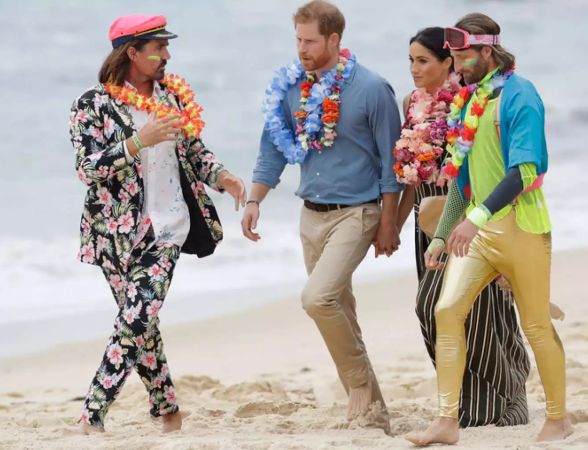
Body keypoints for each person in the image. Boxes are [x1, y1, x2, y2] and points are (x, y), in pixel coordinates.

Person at [68, 14, 246, 434]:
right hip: (112, 232)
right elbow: (87, 170)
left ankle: (92, 413)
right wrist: (136, 142)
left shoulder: (173, 97)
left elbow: (194, 151)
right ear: (132, 52)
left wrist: (222, 176)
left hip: (168, 226)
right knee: (141, 325)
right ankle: (168, 411)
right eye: (159, 47)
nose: (167, 54)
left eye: (167, 46)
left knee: (136, 317)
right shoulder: (91, 105)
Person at [405, 13, 573, 445]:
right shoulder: (467, 100)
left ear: (487, 50)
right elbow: (463, 181)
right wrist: (443, 234)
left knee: (535, 325)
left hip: (522, 227)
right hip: (477, 232)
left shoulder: (521, 95)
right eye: (454, 55)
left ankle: (558, 418)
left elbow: (524, 170)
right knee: (446, 310)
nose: (457, 62)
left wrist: (474, 221)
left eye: (463, 54)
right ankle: (446, 421)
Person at [241, 0, 401, 432]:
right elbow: (273, 148)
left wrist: (390, 223)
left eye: (310, 41)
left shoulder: (372, 89)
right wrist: (255, 200)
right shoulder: (290, 87)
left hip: (359, 212)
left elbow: (393, 165)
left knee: (317, 299)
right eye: (297, 39)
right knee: (340, 310)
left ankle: (357, 386)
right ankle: (374, 415)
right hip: (310, 214)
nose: (302, 49)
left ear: (334, 39)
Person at [393, 26, 531, 428]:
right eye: (411, 61)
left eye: (423, 61)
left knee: (480, 310)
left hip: (469, 213)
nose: (414, 69)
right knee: (442, 310)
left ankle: (502, 399)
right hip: (427, 218)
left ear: (448, 62)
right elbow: (406, 176)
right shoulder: (409, 103)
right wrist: (395, 223)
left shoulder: (469, 100)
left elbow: (488, 166)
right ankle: (463, 401)